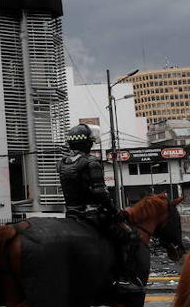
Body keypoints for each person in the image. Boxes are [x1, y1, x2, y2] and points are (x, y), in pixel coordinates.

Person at [56, 124, 144, 295]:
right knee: (129, 237)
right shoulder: (91, 162)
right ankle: (124, 278)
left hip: (72, 214)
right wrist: (114, 211)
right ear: (88, 144)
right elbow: (100, 191)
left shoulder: (61, 164)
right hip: (93, 215)